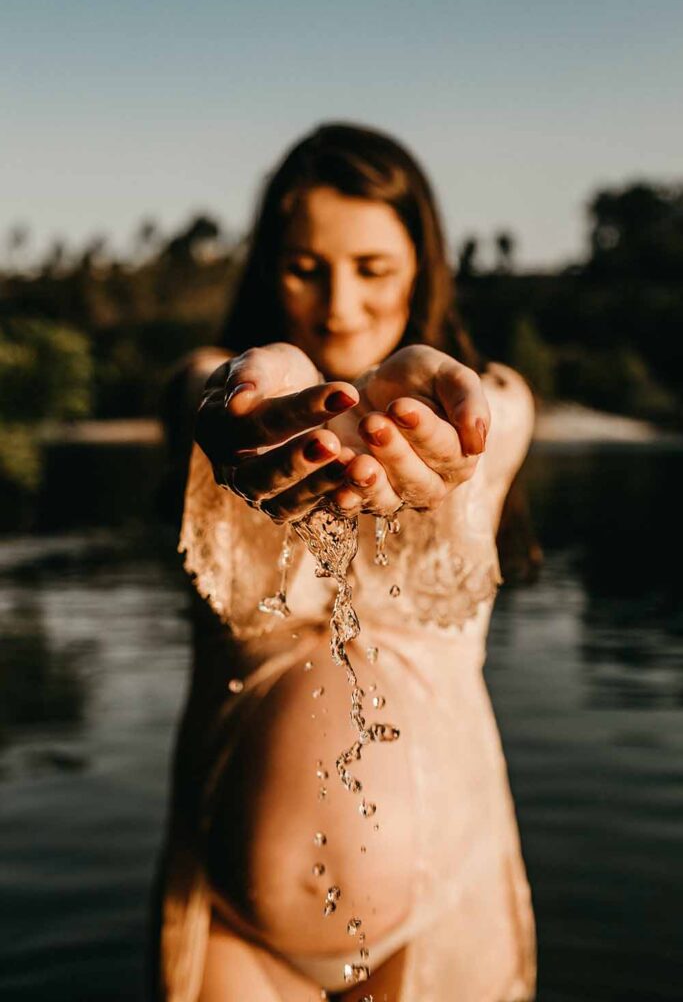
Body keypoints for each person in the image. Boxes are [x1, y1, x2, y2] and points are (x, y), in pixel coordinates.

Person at [153, 122, 537, 1002]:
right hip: (232, 933)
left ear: (420, 267)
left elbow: (488, 417)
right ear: (266, 268)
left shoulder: (495, 409)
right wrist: (248, 391)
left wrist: (451, 426)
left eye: (372, 269)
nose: (336, 307)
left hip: (445, 914)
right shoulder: (209, 392)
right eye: (304, 266)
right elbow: (200, 388)